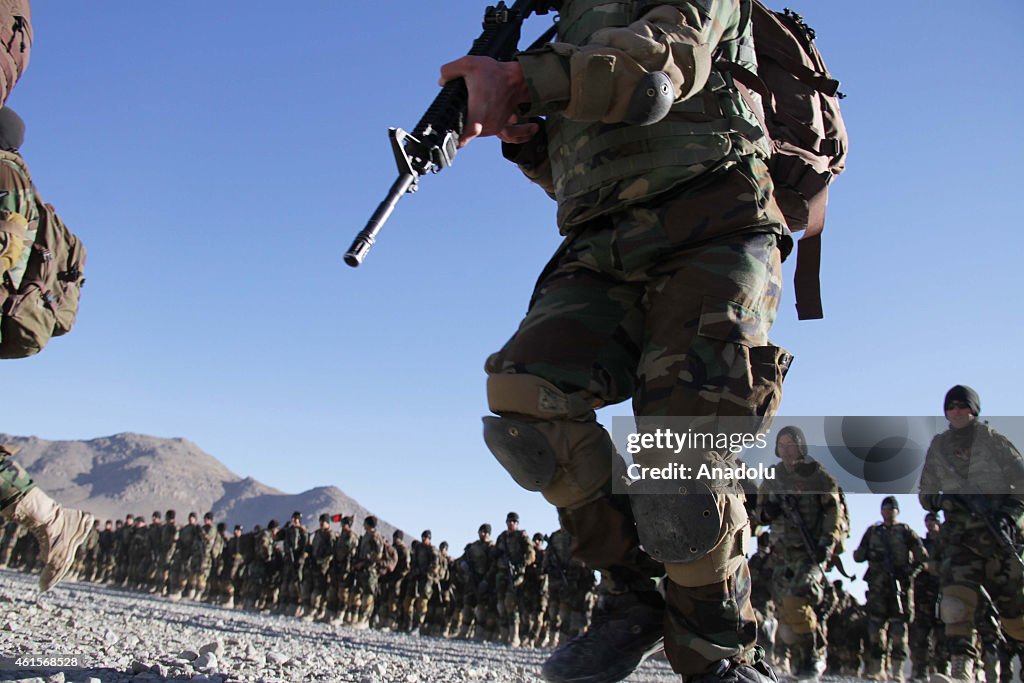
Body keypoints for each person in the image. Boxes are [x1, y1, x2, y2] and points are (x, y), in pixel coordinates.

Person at [441, 0, 790, 679]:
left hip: (712, 218)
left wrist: (519, 79)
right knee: (527, 399)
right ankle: (630, 597)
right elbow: (582, 162)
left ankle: (714, 652)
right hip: (601, 237)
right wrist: (524, 138)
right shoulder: (568, 24)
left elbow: (654, 71)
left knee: (678, 455)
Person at [918, 385, 1024, 683]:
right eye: (950, 407)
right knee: (954, 606)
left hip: (998, 540)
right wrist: (940, 500)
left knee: (1015, 612)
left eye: (962, 406)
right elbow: (925, 492)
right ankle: (961, 669)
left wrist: (1009, 516)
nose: (956, 411)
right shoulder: (939, 446)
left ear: (974, 409)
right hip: (959, 540)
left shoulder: (994, 442)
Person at [757, 426, 844, 680]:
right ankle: (802, 660)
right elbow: (758, 516)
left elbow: (833, 513)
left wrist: (826, 546)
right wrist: (769, 511)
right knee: (786, 614)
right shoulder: (772, 479)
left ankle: (813, 658)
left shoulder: (818, 477)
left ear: (800, 446)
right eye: (781, 445)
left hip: (810, 553)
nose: (786, 450)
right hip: (782, 556)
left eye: (791, 444)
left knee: (797, 602)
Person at [852, 496, 927, 681]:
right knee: (875, 631)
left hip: (899, 589)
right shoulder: (873, 531)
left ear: (897, 511)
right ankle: (877, 669)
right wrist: (871, 554)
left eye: (891, 508)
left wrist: (909, 573)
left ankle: (897, 672)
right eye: (885, 508)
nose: (888, 511)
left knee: (898, 632)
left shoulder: (905, 531)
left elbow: (922, 557)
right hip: (877, 588)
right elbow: (858, 556)